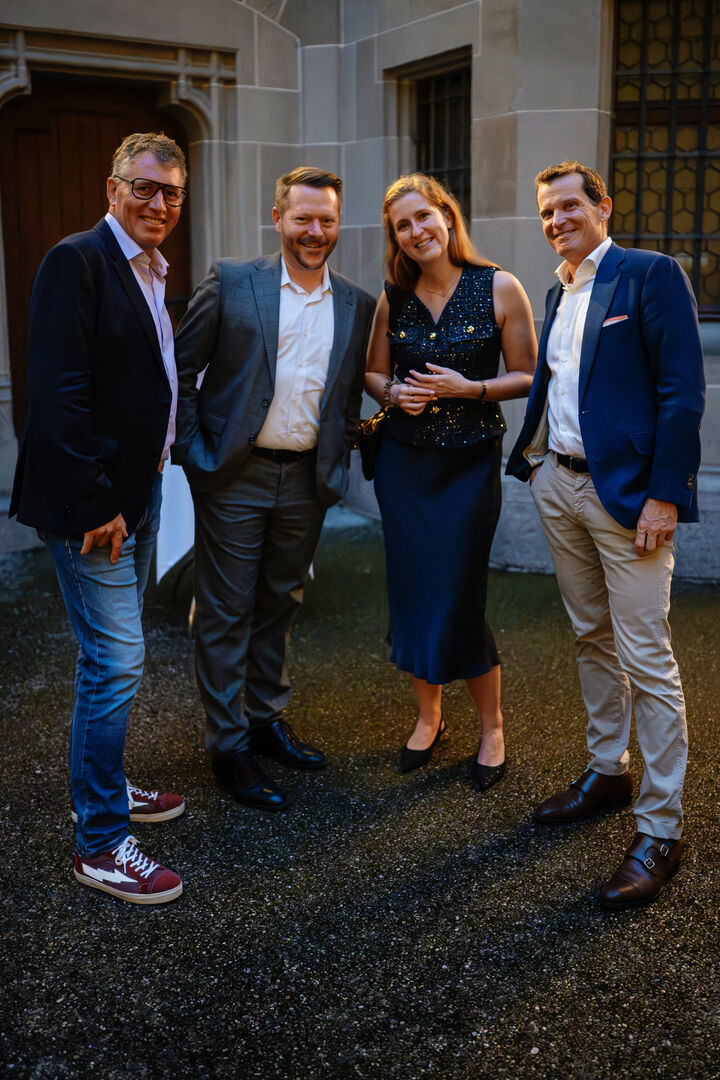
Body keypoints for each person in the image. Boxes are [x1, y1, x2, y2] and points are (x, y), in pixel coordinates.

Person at [507, 160, 705, 910]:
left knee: (646, 657)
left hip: (629, 500)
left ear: (603, 206)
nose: (557, 220)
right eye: (547, 211)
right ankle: (607, 772)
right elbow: (558, 384)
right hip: (559, 483)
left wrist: (665, 496)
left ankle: (660, 830)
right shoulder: (558, 289)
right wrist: (536, 466)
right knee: (591, 635)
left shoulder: (650, 275)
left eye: (568, 206)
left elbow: (682, 391)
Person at [10, 132, 188, 904]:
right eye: (143, 187)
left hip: (135, 495)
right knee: (116, 662)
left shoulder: (150, 269)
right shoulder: (76, 260)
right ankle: (101, 842)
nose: (158, 203)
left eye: (171, 192)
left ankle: (107, 787)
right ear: (112, 188)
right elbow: (56, 394)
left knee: (109, 658)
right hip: (97, 509)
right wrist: (98, 505)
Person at [173, 166, 375, 812]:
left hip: (307, 479)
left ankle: (264, 720)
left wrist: (337, 460)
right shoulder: (234, 281)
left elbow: (346, 395)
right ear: (278, 217)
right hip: (236, 474)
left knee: (281, 602)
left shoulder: (358, 303)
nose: (315, 231)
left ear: (338, 224)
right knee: (225, 609)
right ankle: (228, 745)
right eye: (302, 218)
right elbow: (180, 367)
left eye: (326, 220)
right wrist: (193, 451)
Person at [365, 173, 536, 786]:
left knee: (459, 595)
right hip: (404, 466)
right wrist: (394, 395)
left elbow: (528, 375)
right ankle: (429, 717)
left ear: (446, 215)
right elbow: (372, 373)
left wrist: (471, 388)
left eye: (423, 217)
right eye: (402, 226)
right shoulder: (394, 297)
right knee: (415, 593)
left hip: (468, 466)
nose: (416, 232)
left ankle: (492, 727)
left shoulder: (499, 286)